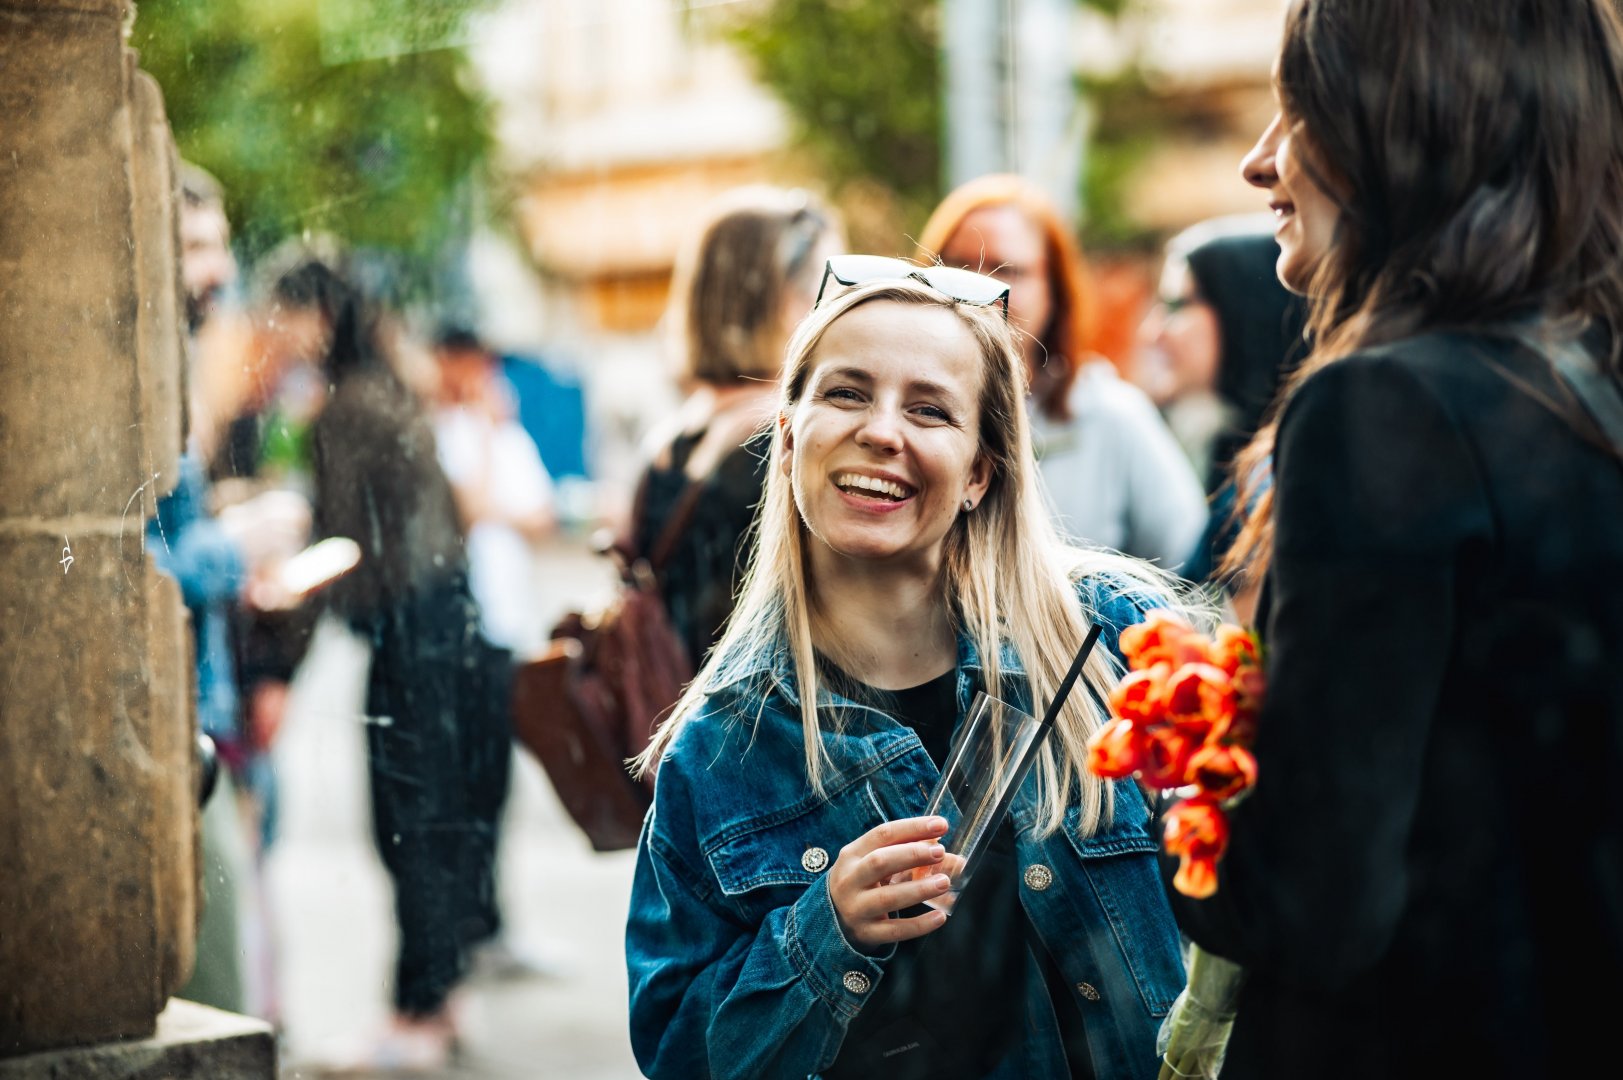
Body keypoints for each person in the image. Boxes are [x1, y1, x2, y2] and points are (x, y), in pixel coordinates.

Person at [1167, 2, 1623, 1077]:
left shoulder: (1387, 408)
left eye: (1296, 110)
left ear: (1405, 123)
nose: (1258, 162)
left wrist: (1201, 773)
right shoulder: (1583, 391)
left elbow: (1314, 905)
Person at [625, 263, 1189, 1079]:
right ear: (787, 437)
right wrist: (824, 931)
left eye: (928, 409)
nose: (882, 431)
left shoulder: (1111, 640)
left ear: (977, 473)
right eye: (846, 394)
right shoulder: (721, 749)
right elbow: (679, 1054)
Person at [272, 250, 514, 1069]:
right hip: (453, 630)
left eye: (290, 315)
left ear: (320, 318)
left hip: (413, 644)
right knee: (437, 826)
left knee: (406, 830)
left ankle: (415, 1017)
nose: (282, 334)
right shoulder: (392, 393)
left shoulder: (343, 411)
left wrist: (278, 658)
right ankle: (440, 1003)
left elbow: (336, 553)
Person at [918, 174, 1206, 568]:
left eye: (1008, 269)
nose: (977, 288)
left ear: (1055, 289)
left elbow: (1195, 575)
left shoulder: (1111, 417)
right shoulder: (890, 420)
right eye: (956, 265)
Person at [630, 186, 841, 670]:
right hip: (756, 722)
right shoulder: (784, 437)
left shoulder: (671, 440)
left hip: (681, 718)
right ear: (787, 301)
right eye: (829, 281)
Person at [432, 326, 557, 656]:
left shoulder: (511, 437)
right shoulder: (442, 432)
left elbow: (544, 518)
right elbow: (469, 510)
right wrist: (485, 431)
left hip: (511, 606)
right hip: (462, 608)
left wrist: (494, 511)